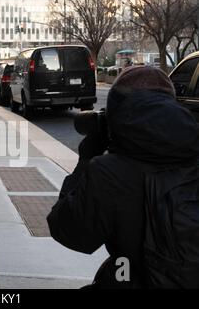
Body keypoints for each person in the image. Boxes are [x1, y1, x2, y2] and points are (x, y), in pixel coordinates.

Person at [47, 66, 199, 288]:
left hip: (128, 276)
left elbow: (68, 232)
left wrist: (85, 161)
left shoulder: (109, 173)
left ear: (116, 112)